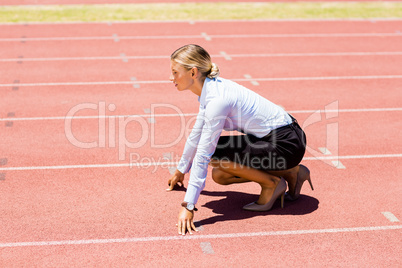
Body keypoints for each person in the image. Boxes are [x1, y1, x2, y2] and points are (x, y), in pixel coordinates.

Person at [166, 44, 313, 236]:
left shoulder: (217, 100)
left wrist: (189, 205)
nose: (171, 78)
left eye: (175, 72)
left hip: (286, 144)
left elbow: (204, 153)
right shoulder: (211, 89)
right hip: (285, 137)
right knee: (220, 175)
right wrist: (181, 170)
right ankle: (292, 172)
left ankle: (272, 184)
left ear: (193, 72)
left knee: (214, 156)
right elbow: (197, 133)